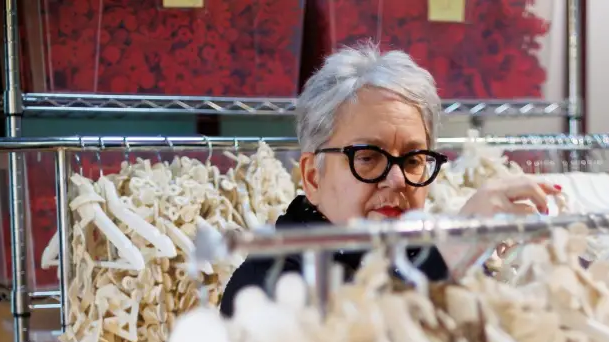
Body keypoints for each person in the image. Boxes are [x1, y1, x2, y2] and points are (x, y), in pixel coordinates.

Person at [219, 42, 559, 317]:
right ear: (312, 177)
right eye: (368, 158)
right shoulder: (265, 288)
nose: (397, 180)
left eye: (413, 159)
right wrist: (451, 257)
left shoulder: (425, 256)